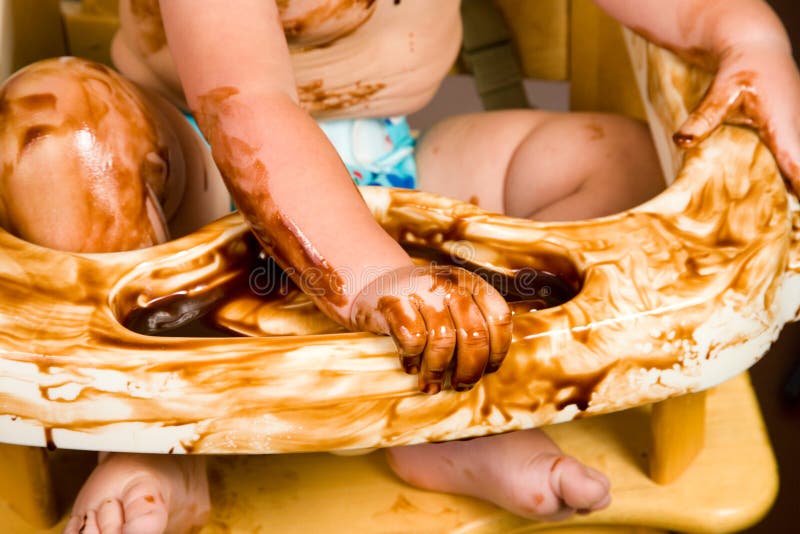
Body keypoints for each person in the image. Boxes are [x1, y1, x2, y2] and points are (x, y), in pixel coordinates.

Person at [0, 1, 795, 533]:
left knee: (617, 159)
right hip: (191, 200)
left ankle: (460, 401)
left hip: (389, 165)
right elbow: (248, 106)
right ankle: (160, 438)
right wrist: (373, 278)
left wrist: (748, 37)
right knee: (56, 133)